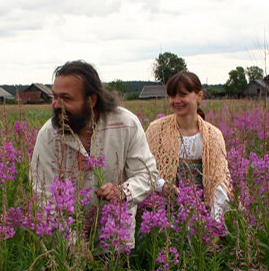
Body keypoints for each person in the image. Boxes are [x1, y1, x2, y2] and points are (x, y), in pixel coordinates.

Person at [29, 60, 158, 247]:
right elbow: (42, 194)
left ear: (92, 100)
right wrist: (73, 244)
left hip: (116, 237)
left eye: (66, 98)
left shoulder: (125, 124)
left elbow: (148, 175)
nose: (57, 105)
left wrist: (122, 192)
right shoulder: (49, 135)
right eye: (54, 97)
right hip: (65, 242)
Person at [145, 71, 232, 221]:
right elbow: (143, 169)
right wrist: (162, 186)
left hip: (202, 216)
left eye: (183, 94)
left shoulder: (213, 136)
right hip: (163, 215)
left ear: (199, 96)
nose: (176, 101)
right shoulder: (156, 130)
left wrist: (214, 222)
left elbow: (220, 183)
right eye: (172, 96)